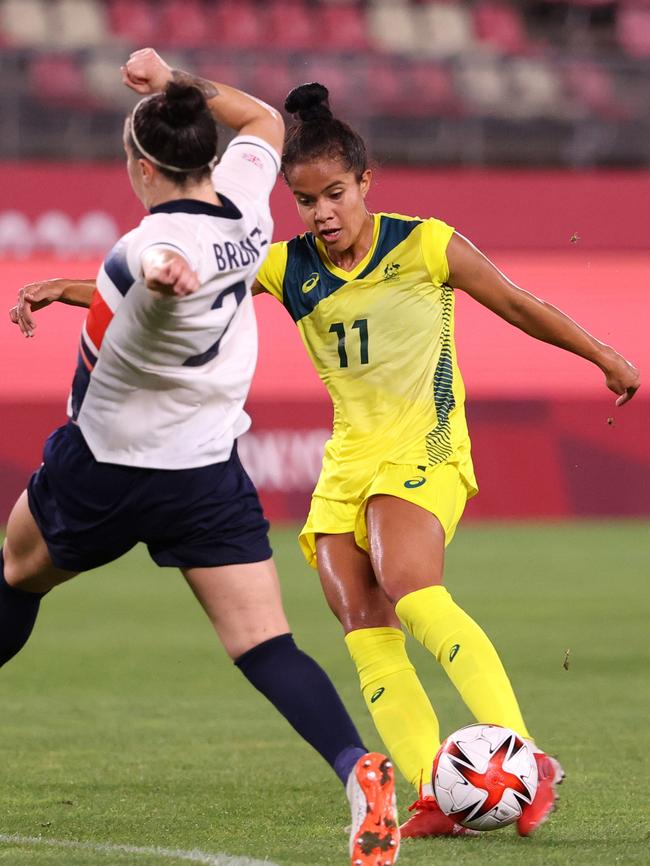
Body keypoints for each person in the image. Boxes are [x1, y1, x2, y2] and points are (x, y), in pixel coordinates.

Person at [6, 51, 399, 866]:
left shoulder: (138, 247)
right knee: (264, 642)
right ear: (203, 155)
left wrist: (162, 265)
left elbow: (150, 266)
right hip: (206, 475)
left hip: (105, 468)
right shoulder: (251, 203)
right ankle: (357, 769)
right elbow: (265, 121)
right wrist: (178, 80)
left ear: (142, 165)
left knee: (16, 571)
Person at [246, 84, 639, 839]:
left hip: (424, 448)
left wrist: (601, 354)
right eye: (304, 200)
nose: (322, 212)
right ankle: (435, 789)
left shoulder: (424, 244)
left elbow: (520, 303)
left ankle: (531, 761)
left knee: (409, 586)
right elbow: (180, 291)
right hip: (347, 465)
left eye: (334, 193)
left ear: (366, 182)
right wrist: (73, 292)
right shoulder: (285, 268)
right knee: (364, 623)